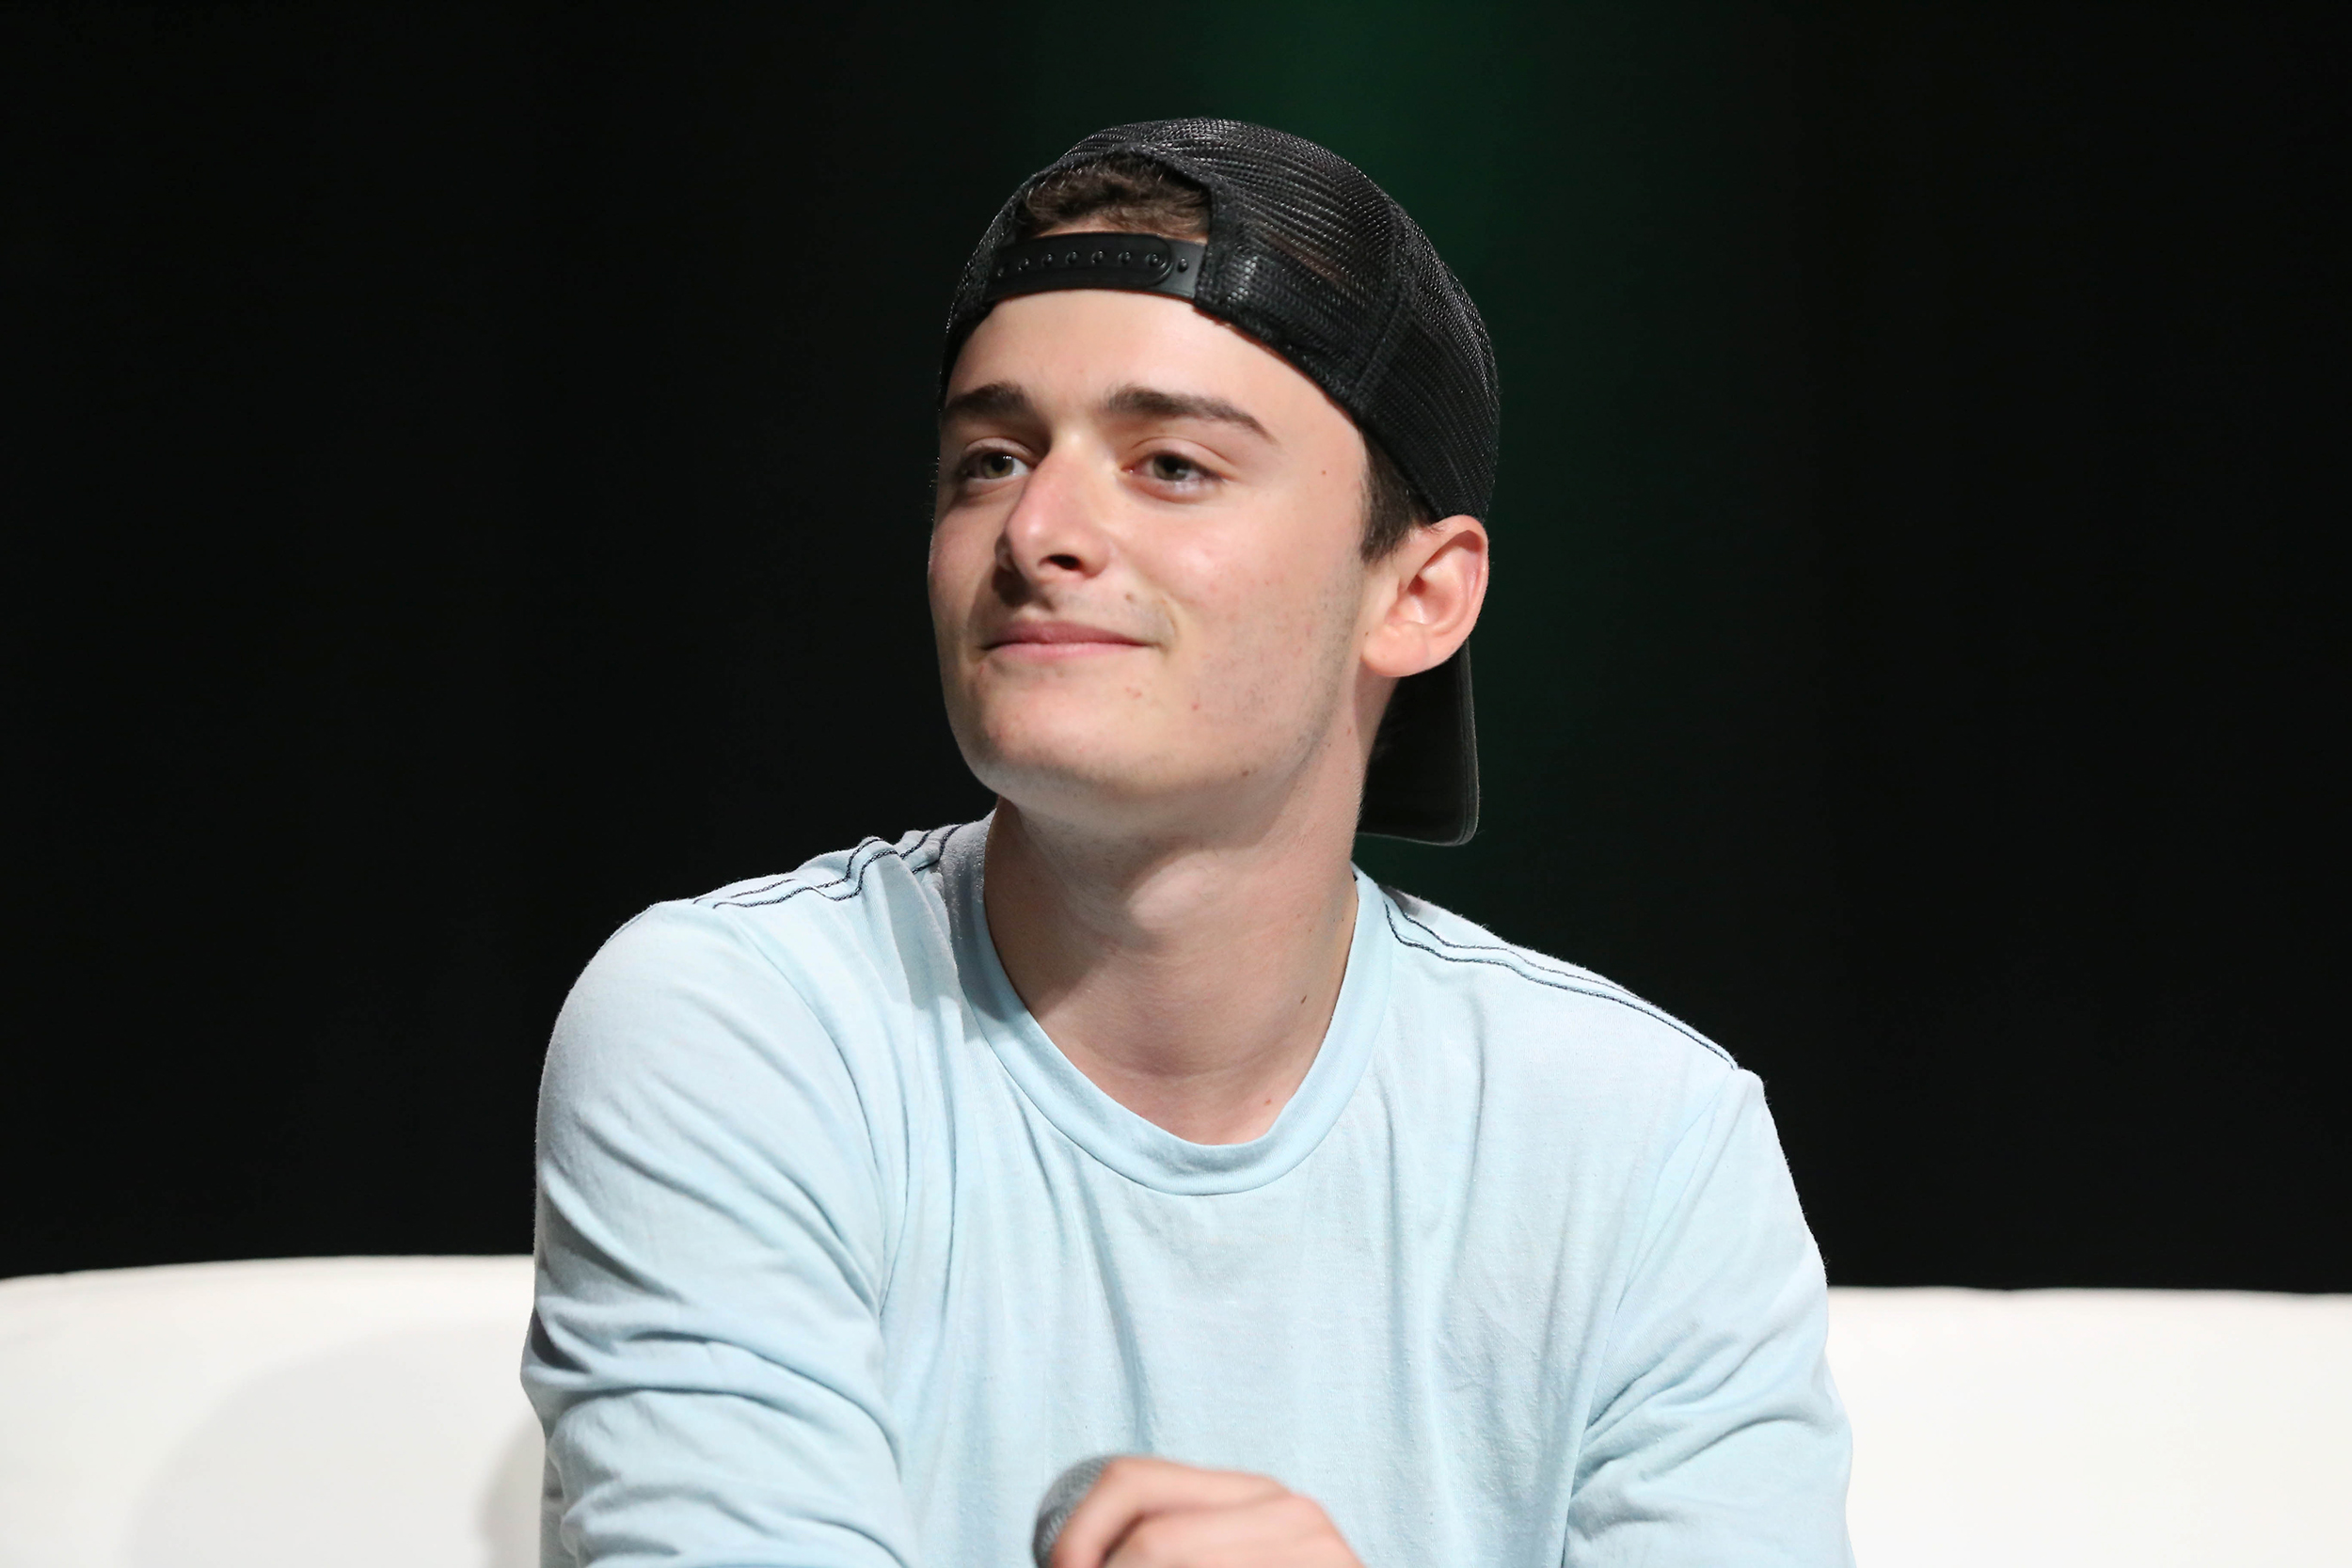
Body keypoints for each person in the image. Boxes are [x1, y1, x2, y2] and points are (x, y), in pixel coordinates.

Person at [523, 119, 1852, 1568]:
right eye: (989, 459)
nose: (1037, 528)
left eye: (1169, 464)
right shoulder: (749, 1030)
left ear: (1418, 596)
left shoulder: (1645, 1144)